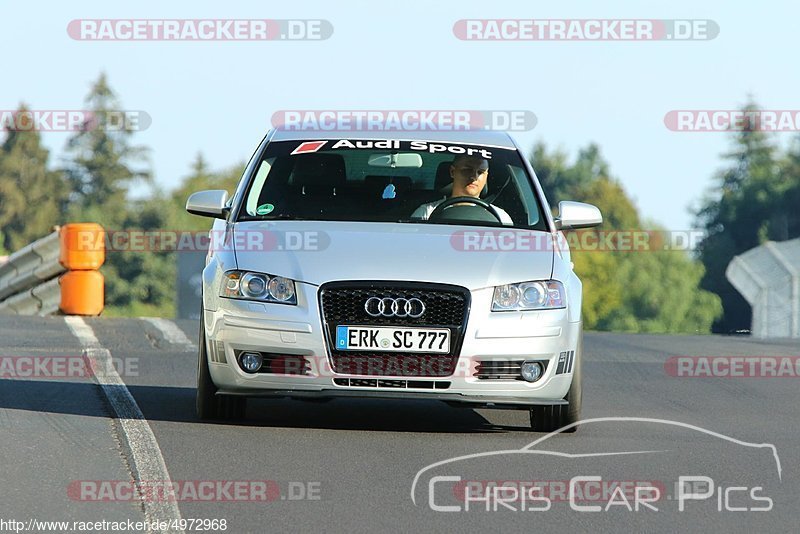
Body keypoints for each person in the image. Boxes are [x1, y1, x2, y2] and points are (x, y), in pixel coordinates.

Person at [411, 154, 513, 224]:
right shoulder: (427, 213)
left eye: (480, 172)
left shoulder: (500, 217)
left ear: (486, 176)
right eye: (467, 170)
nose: (474, 177)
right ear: (452, 172)